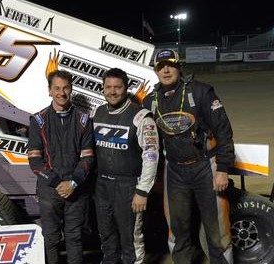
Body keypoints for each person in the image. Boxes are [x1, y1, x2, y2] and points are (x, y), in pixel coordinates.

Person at [142, 49, 235, 264]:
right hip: (174, 171)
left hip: (206, 167)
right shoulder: (150, 101)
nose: (166, 70)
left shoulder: (201, 92)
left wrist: (222, 169)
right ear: (155, 71)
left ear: (179, 67)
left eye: (170, 65)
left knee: (217, 231)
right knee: (177, 231)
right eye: (160, 66)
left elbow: (223, 131)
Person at [92, 68, 159, 264]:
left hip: (129, 185)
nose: (112, 92)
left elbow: (151, 156)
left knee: (130, 237)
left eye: (118, 87)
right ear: (103, 89)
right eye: (108, 87)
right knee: (106, 235)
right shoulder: (97, 112)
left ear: (126, 88)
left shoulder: (141, 117)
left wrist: (142, 191)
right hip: (102, 184)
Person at [27, 70, 95, 264]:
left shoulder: (83, 120)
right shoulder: (38, 121)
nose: (61, 93)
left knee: (75, 237)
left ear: (71, 89)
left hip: (76, 189)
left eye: (65, 88)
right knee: (51, 238)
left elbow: (88, 158)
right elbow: (34, 161)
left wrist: (73, 183)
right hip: (50, 190)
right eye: (57, 88)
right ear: (49, 91)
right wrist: (58, 183)